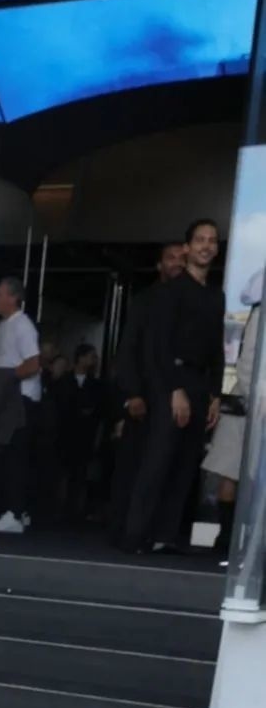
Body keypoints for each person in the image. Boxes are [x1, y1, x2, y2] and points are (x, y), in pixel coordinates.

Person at [122, 219, 225, 554]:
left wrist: (215, 394)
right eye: (200, 240)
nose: (206, 246)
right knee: (158, 460)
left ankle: (164, 536)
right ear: (187, 247)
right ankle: (135, 535)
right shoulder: (170, 292)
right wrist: (174, 390)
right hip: (170, 381)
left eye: (212, 240)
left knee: (184, 465)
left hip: (200, 383)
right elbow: (159, 346)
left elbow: (216, 349)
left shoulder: (216, 295)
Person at [107, 241, 187, 545]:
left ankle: (156, 534)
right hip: (145, 395)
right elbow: (128, 348)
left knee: (169, 468)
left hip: (178, 396)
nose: (177, 263)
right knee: (134, 464)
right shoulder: (145, 301)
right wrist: (132, 393)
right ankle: (124, 532)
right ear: (159, 265)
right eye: (171, 258)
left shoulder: (191, 302)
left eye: (182, 258)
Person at [0, 275, 41, 535]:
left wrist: (4, 378)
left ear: (13, 298)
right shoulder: (3, 326)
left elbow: (33, 364)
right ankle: (21, 510)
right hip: (7, 399)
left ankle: (14, 514)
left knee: (15, 457)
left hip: (20, 400)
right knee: (9, 455)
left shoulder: (22, 325)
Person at [203, 299, 258, 565]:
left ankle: (245, 541)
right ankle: (225, 539)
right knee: (231, 471)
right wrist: (256, 396)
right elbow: (247, 361)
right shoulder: (261, 313)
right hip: (249, 405)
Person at [52, 343, 105, 522]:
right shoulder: (64, 382)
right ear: (80, 358)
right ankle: (59, 510)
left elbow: (99, 409)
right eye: (91, 356)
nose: (94, 360)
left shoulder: (96, 385)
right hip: (65, 434)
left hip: (85, 436)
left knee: (80, 474)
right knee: (62, 473)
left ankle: (75, 512)